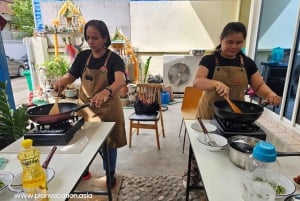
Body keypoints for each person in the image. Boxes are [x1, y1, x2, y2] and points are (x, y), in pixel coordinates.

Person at [183, 22, 282, 188]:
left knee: (229, 152)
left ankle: (223, 183)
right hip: (209, 113)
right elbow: (198, 82)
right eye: (229, 42)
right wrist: (215, 83)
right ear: (221, 40)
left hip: (235, 115)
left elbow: (258, 86)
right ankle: (194, 175)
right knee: (203, 150)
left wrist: (269, 94)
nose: (234, 46)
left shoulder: (247, 63)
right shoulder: (209, 60)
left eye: (238, 43)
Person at [53, 19, 127, 188]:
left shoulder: (114, 59)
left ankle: (110, 173)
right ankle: (84, 169)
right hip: (86, 109)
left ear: (105, 38)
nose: (91, 42)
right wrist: (63, 81)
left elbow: (120, 80)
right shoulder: (83, 57)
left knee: (109, 144)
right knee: (84, 141)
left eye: (95, 38)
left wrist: (107, 91)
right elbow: (70, 75)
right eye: (88, 38)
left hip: (108, 109)